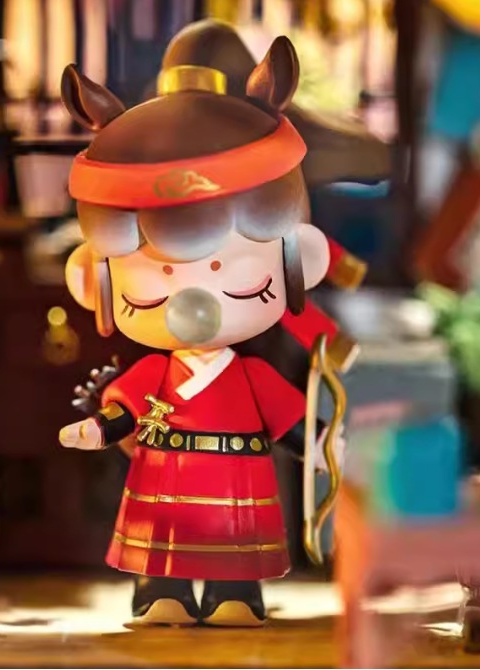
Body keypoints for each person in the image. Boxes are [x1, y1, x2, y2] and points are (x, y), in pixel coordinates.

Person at [58, 26, 337, 627]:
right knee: (163, 546)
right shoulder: (154, 374)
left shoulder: (250, 376)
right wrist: (96, 430)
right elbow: (125, 412)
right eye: (154, 278)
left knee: (235, 553)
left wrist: (322, 446)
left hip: (237, 483)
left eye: (230, 274)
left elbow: (290, 424)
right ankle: (161, 591)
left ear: (299, 261)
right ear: (93, 278)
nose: (191, 298)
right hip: (165, 479)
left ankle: (236, 594)